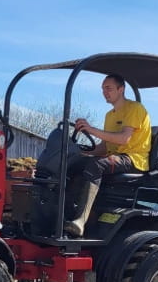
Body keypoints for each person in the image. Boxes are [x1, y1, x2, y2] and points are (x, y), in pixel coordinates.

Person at [64, 73, 151, 237]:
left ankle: (80, 221)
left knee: (97, 165)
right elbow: (104, 148)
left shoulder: (135, 109)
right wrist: (80, 152)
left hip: (134, 159)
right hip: (116, 157)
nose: (105, 92)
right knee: (75, 163)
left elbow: (124, 139)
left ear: (121, 89)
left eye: (108, 88)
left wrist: (91, 129)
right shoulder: (109, 115)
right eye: (103, 89)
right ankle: (64, 214)